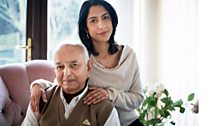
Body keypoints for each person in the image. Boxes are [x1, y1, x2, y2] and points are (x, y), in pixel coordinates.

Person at [30, 0, 144, 125]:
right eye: (93, 20)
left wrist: (109, 94)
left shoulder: (129, 55)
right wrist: (37, 85)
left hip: (130, 122)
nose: (101, 25)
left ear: (113, 20)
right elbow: (62, 84)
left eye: (105, 17)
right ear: (86, 28)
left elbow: (137, 98)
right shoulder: (82, 59)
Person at [22, 43, 120, 126]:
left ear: (88, 68)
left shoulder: (105, 109)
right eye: (60, 67)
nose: (67, 73)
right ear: (54, 70)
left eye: (74, 65)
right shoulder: (40, 100)